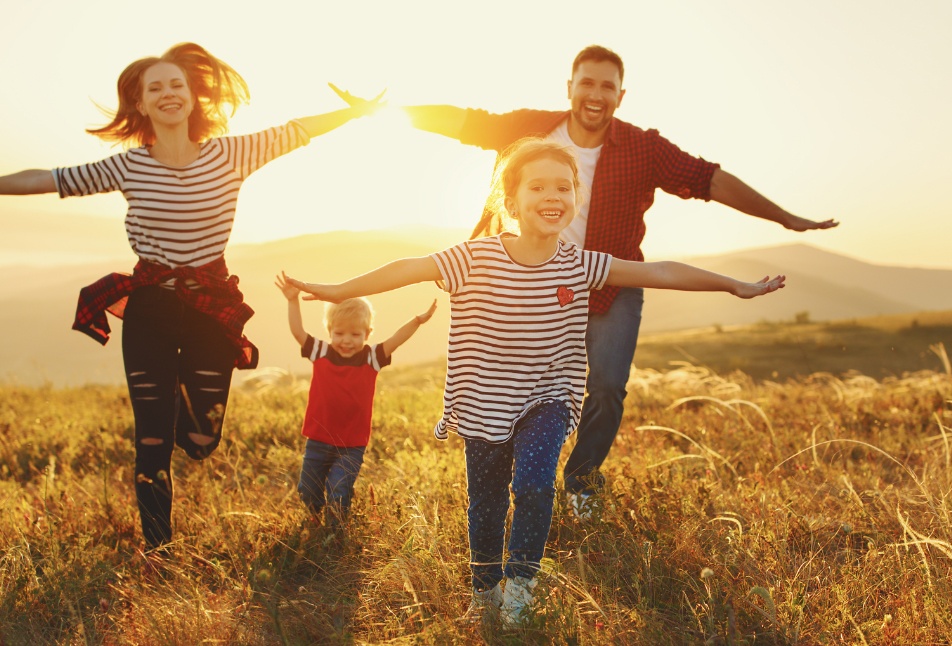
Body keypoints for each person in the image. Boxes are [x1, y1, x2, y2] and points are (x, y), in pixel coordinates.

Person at [286, 138, 785, 623]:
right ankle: (485, 590)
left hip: (549, 398)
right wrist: (336, 290)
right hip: (482, 401)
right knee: (484, 503)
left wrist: (731, 284)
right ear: (511, 202)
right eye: (538, 187)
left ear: (575, 198)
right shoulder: (473, 257)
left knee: (534, 482)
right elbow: (408, 269)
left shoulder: (580, 264)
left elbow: (659, 271)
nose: (553, 197)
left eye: (564, 188)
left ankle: (521, 586)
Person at [336, 44, 835, 513]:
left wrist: (785, 218)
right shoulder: (530, 129)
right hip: (522, 280)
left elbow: (709, 179)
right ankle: (512, 473)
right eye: (587, 84)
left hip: (609, 280)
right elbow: (462, 122)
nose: (596, 95)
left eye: (607, 87)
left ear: (621, 95)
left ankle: (580, 482)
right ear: (570, 86)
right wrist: (376, 111)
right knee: (513, 382)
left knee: (608, 386)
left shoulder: (643, 147)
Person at [0, 43, 379, 550]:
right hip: (151, 307)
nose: (167, 93)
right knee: (151, 440)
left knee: (201, 441)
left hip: (209, 308)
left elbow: (297, 131)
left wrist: (355, 112)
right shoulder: (128, 166)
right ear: (140, 105)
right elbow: (47, 179)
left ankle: (175, 399)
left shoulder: (231, 153)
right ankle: (159, 549)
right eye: (154, 87)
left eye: (176, 84)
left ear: (193, 96)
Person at [275, 273, 435, 523]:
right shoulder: (321, 352)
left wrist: (417, 320)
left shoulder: (371, 358)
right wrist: (292, 301)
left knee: (339, 490)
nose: (346, 341)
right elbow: (298, 332)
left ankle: (335, 532)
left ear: (367, 334)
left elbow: (396, 340)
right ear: (329, 331)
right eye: (339, 333)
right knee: (307, 491)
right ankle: (315, 524)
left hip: (351, 445)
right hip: (317, 440)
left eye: (354, 335)